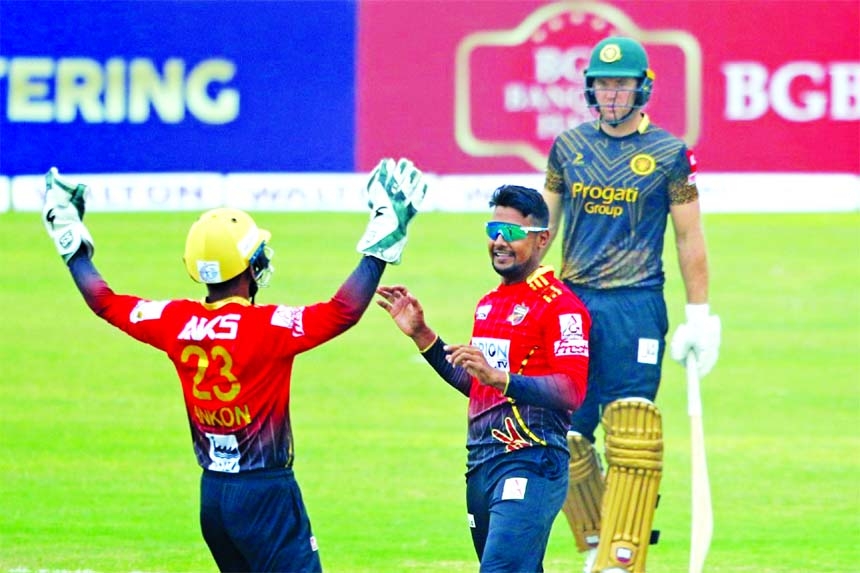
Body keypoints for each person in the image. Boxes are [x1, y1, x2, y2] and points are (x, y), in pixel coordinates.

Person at [40, 160, 426, 572]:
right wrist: (382, 241)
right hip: (266, 495)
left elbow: (105, 301)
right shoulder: (268, 327)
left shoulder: (174, 322)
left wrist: (69, 240)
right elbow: (342, 312)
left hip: (214, 499)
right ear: (248, 266)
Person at [540, 36, 721, 573]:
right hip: (573, 303)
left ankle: (622, 559)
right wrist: (516, 284)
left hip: (637, 304)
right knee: (566, 430)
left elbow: (690, 238)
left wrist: (699, 316)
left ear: (642, 88)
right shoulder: (568, 147)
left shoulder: (668, 153)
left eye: (619, 82)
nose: (610, 92)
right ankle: (598, 541)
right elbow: (543, 229)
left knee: (631, 430)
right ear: (589, 88)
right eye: (601, 82)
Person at [375, 185, 591, 572]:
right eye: (493, 229)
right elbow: (478, 386)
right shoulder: (490, 304)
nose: (498, 241)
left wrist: (501, 377)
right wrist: (423, 336)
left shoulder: (561, 307)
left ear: (541, 238)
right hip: (481, 465)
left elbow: (572, 389)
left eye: (510, 233)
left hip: (532, 460)